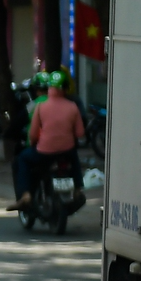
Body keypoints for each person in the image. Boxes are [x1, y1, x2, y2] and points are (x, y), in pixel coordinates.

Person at [10, 71, 86, 209]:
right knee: (74, 158)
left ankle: (26, 195)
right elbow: (80, 133)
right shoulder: (73, 106)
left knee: (23, 159)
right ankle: (78, 189)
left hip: (44, 152)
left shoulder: (39, 106)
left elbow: (32, 135)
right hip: (67, 152)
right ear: (65, 88)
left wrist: (33, 144)